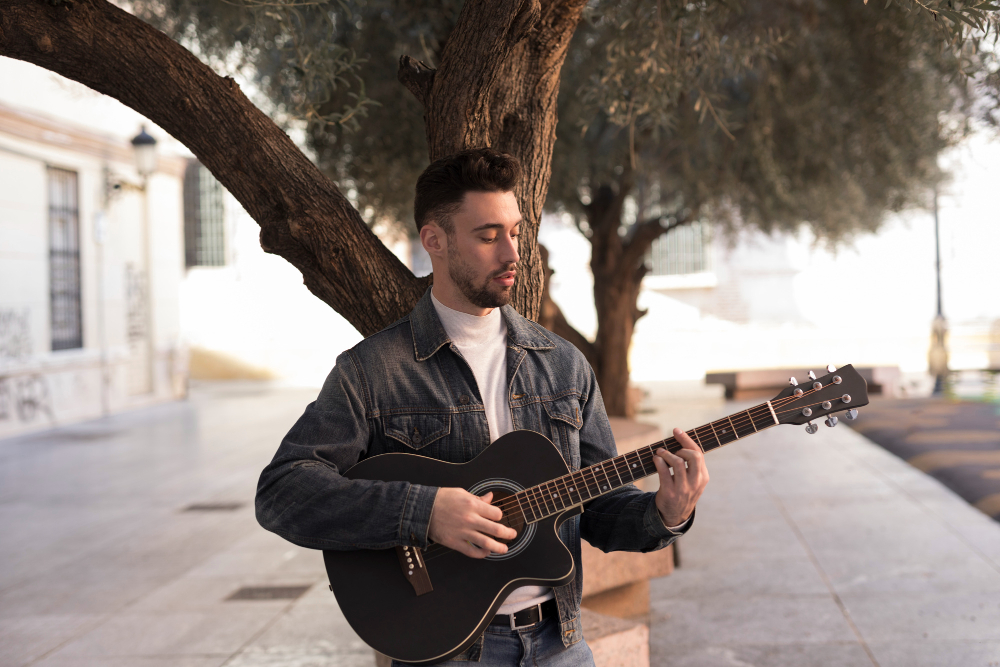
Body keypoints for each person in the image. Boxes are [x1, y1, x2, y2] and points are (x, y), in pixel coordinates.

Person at [255, 148, 709, 666]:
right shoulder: (374, 371)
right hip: (447, 650)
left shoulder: (563, 366)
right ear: (435, 242)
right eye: (488, 236)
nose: (512, 253)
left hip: (560, 643)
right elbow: (281, 491)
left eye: (515, 232)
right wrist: (423, 513)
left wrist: (667, 514)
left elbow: (599, 509)